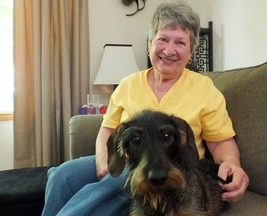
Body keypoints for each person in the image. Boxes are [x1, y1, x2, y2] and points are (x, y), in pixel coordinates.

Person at [42, 3, 249, 216]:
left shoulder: (204, 88)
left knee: (128, 176)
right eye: (162, 39)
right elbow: (107, 130)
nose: (169, 50)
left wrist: (233, 164)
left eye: (180, 42)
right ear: (150, 43)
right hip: (126, 159)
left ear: (191, 52)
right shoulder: (127, 84)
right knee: (62, 175)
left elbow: (221, 143)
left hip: (169, 164)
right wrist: (103, 161)